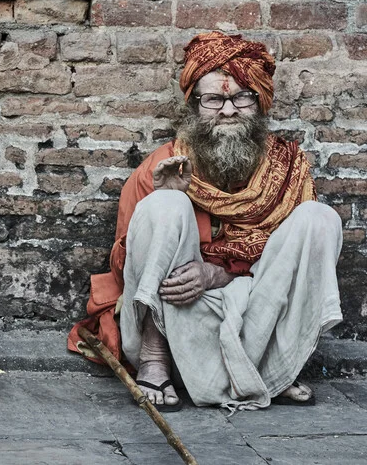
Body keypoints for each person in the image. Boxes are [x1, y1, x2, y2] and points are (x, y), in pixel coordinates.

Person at [68, 31, 342, 411]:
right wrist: (170, 195)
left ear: (259, 101)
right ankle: (154, 359)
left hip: (257, 312)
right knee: (165, 206)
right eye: (214, 99)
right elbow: (125, 268)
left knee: (320, 218)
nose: (228, 111)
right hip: (178, 317)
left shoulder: (288, 169)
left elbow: (286, 266)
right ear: (195, 106)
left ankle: (275, 367)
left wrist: (217, 274)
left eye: (241, 98)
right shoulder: (163, 165)